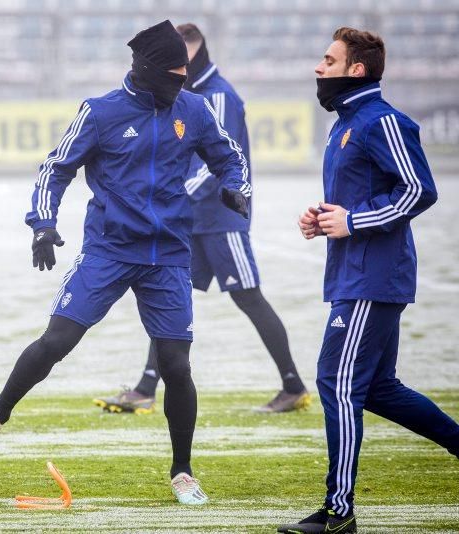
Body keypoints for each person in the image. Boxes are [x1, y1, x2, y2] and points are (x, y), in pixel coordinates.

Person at [0, 20, 250, 505]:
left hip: (169, 253)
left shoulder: (192, 109)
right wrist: (42, 224)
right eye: (175, 75)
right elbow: (56, 167)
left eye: (186, 74)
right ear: (148, 70)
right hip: (109, 249)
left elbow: (229, 155)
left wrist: (236, 185)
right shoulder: (100, 112)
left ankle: (182, 471)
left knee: (176, 365)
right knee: (57, 340)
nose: (183, 84)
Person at [278, 27, 459, 533]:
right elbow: (358, 200)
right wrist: (323, 219)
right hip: (351, 275)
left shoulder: (383, 121)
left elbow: (420, 191)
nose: (319, 67)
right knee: (377, 388)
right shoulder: (344, 124)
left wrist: (354, 221)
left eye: (328, 60)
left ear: (356, 69)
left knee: (335, 382)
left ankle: (339, 512)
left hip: (372, 278)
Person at [94, 23, 309, 415]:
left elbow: (219, 165)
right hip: (189, 221)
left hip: (221, 220)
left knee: (249, 297)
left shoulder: (218, 96)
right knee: (168, 299)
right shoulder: (187, 93)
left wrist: (167, 194)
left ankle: (293, 385)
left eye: (182, 59)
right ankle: (145, 387)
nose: (175, 69)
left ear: (197, 53)